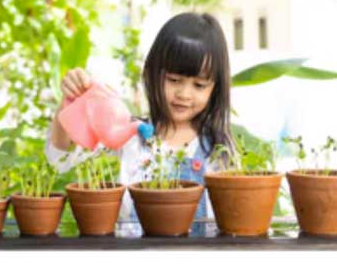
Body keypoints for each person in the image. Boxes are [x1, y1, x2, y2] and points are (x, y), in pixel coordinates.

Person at [46, 12, 233, 234]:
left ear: (215, 88)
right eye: (174, 80)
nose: (184, 93)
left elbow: (231, 221)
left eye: (199, 85)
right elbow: (60, 159)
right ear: (153, 73)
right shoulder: (129, 135)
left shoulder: (218, 149)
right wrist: (69, 103)